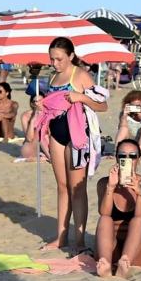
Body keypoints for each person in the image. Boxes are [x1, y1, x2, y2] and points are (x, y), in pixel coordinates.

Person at [35, 37, 108, 253]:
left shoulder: (81, 75)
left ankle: (80, 242)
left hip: (77, 136)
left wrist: (81, 97)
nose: (55, 63)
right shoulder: (53, 77)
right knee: (62, 187)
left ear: (71, 56)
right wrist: (40, 105)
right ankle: (61, 237)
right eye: (52, 59)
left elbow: (102, 105)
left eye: (59, 59)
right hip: (56, 134)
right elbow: (53, 107)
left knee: (78, 190)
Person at [94, 139, 141, 278]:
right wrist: (111, 187)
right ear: (116, 159)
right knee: (105, 219)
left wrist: (139, 193)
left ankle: (125, 263)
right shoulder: (104, 183)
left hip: (137, 247)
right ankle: (105, 265)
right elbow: (104, 213)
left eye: (132, 156)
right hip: (110, 247)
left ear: (138, 160)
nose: (127, 160)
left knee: (138, 221)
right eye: (122, 156)